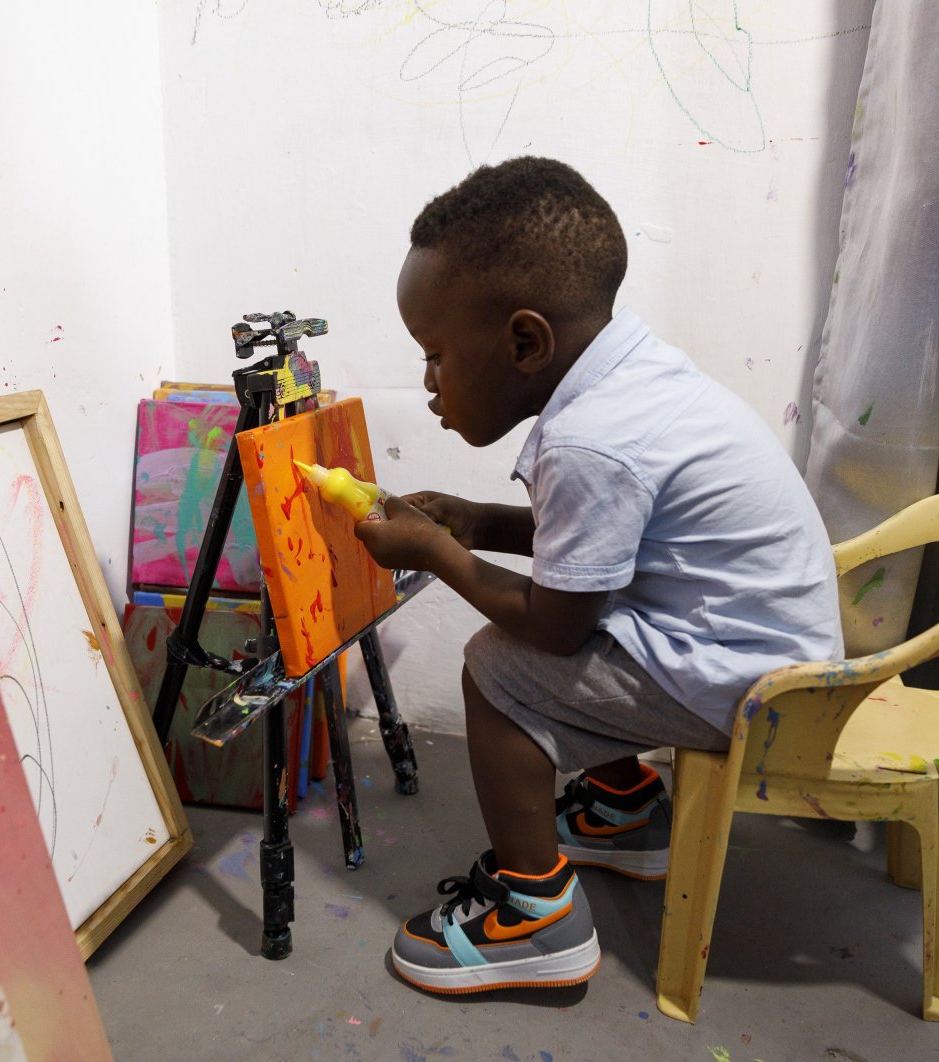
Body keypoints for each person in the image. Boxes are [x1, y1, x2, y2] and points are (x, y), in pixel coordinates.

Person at [353, 157, 843, 995]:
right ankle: (621, 813)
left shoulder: (591, 440)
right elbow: (601, 547)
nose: (428, 382)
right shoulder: (631, 376)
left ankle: (535, 917)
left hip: (757, 686)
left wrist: (439, 554)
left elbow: (554, 624)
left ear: (524, 341)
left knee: (498, 668)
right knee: (578, 631)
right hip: (763, 647)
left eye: (435, 355)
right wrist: (479, 520)